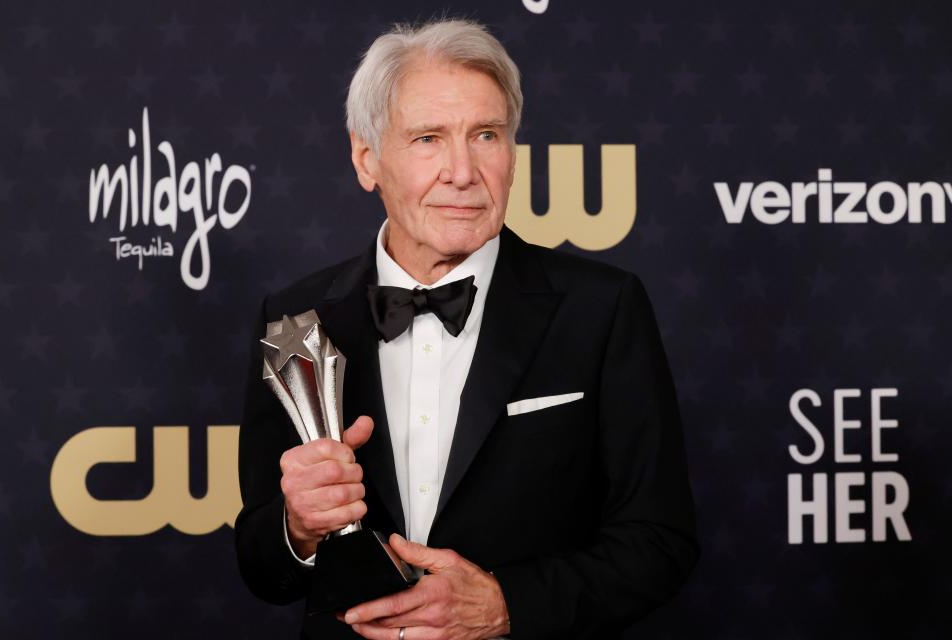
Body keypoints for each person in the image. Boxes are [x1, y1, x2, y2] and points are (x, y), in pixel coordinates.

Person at [235, 18, 698, 640]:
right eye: (428, 138)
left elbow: (660, 543)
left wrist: (507, 604)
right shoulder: (297, 320)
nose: (462, 170)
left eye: (486, 134)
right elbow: (263, 569)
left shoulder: (601, 309)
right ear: (366, 158)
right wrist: (297, 526)